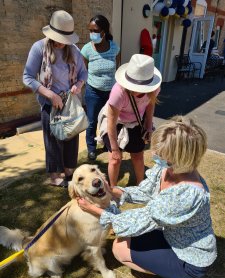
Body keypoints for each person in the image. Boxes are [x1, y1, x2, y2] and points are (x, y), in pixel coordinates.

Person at [77, 116, 217, 278]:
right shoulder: (168, 167)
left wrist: (96, 210)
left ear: (181, 158)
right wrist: (114, 190)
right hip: (173, 236)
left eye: (161, 154)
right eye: (156, 149)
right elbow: (146, 191)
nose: (154, 155)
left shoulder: (186, 195)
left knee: (119, 250)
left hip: (190, 259)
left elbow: (139, 221)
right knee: (125, 239)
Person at [23, 10, 88, 187]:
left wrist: (79, 84)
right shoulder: (39, 48)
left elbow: (83, 72)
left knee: (71, 137)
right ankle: (54, 176)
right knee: (52, 141)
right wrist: (50, 94)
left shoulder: (73, 50)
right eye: (59, 38)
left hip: (69, 104)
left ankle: (69, 170)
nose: (62, 43)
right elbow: (27, 77)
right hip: (49, 103)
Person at [100, 54, 161, 187]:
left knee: (138, 156)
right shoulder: (118, 92)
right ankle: (113, 189)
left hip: (136, 122)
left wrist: (149, 127)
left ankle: (141, 185)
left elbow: (150, 106)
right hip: (116, 123)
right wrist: (115, 148)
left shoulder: (154, 88)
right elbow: (111, 121)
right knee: (115, 159)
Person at [81, 15, 120, 161]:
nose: (92, 34)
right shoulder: (86, 49)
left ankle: (106, 143)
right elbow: (83, 71)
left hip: (111, 92)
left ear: (103, 32)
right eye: (90, 30)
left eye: (95, 30)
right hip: (93, 92)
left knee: (110, 119)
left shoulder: (114, 47)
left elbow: (118, 68)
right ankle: (91, 148)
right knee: (92, 121)